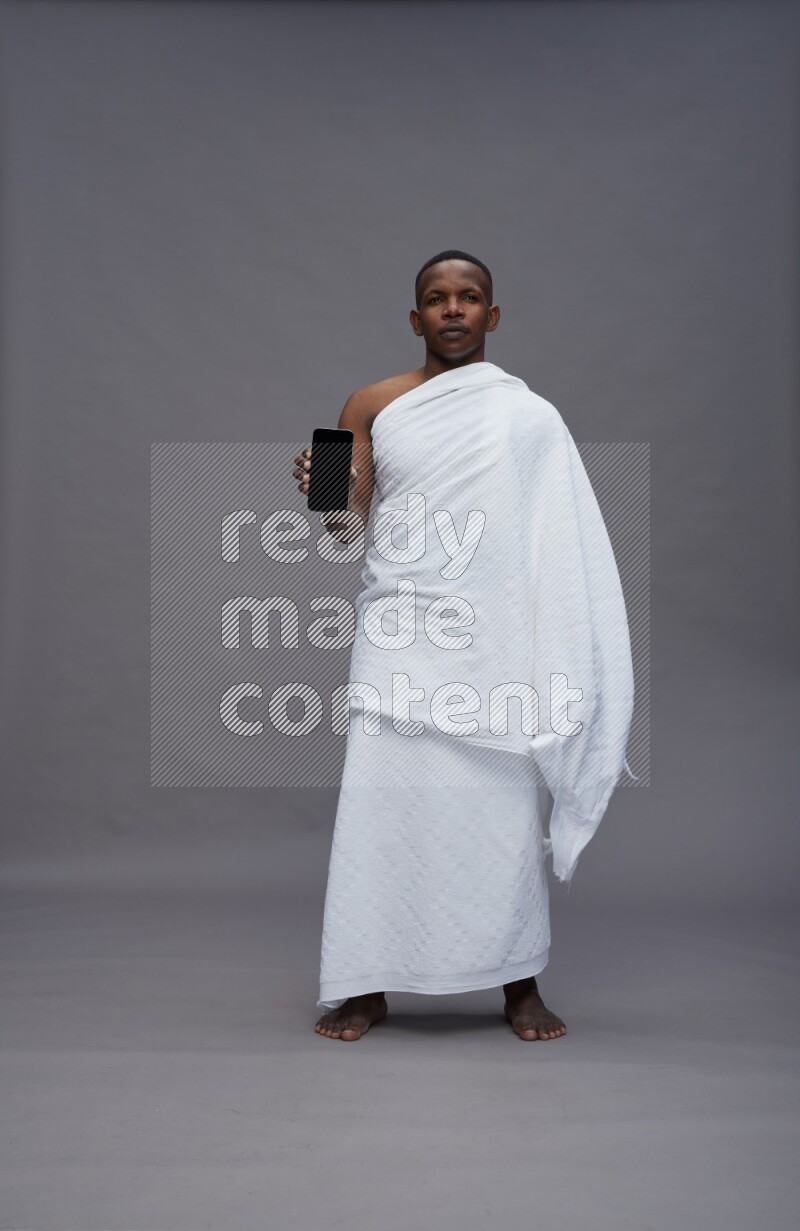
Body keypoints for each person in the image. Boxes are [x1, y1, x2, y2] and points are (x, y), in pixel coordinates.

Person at [292, 250, 634, 1042]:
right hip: (400, 631)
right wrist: (319, 483)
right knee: (382, 807)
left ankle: (519, 983)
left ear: (492, 315)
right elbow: (344, 528)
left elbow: (555, 535)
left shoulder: (530, 415)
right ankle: (366, 985)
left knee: (499, 810)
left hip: (493, 639)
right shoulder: (369, 403)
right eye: (437, 299)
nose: (453, 309)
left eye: (469, 297)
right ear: (415, 319)